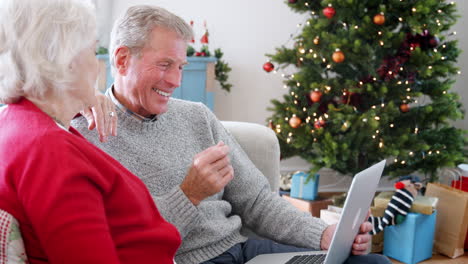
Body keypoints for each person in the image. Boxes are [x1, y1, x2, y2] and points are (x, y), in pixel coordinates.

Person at [73, 5, 391, 264]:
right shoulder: (87, 137)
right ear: (122, 60)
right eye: (165, 64)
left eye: (181, 66)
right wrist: (189, 194)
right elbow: (125, 241)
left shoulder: (196, 116)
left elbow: (256, 200)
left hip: (243, 251)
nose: (175, 80)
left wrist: (322, 234)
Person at [0, 0, 180, 263]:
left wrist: (74, 100)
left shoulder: (16, 121)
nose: (98, 67)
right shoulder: (51, 153)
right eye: (94, 52)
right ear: (67, 60)